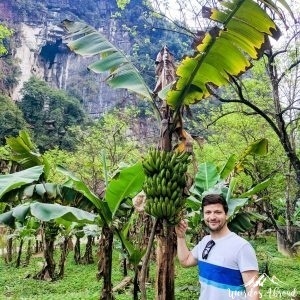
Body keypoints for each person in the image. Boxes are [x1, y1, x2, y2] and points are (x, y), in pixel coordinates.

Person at [175, 194, 260, 300]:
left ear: (227, 215)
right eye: (208, 212)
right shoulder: (205, 242)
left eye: (218, 212)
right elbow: (185, 261)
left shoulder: (242, 247)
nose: (212, 217)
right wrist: (180, 237)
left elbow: (253, 291)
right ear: (203, 216)